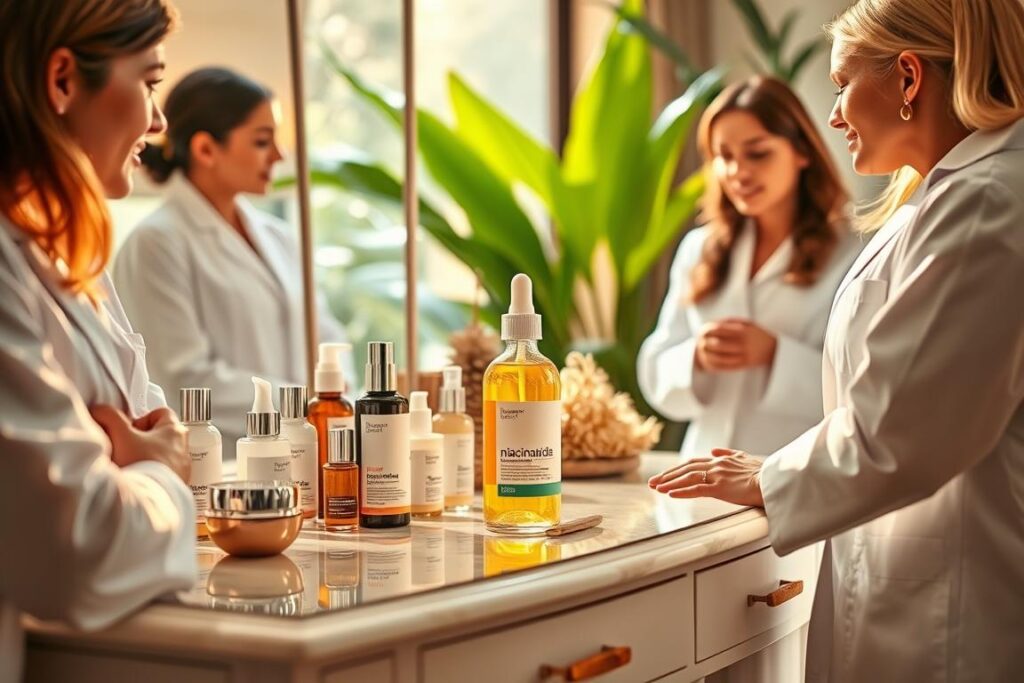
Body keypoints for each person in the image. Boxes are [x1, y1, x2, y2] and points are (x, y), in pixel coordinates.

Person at [649, 1, 1024, 680]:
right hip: (880, 546)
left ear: (909, 79)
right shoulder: (945, 201)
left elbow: (899, 429)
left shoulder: (986, 203)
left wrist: (768, 473)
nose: (835, 113)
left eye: (844, 83)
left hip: (956, 610)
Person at [0, 1, 195, 679]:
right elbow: (78, 546)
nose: (159, 118)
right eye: (149, 82)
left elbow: (155, 429)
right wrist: (164, 475)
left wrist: (140, 463)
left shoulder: (74, 263)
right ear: (62, 81)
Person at [112, 67, 349, 457]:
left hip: (305, 454)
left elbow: (327, 338)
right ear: (206, 149)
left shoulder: (280, 238)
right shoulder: (156, 244)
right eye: (262, 141)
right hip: (223, 464)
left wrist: (339, 402)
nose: (279, 155)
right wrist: (307, 408)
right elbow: (184, 376)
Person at [638, 76, 860, 459]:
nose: (738, 172)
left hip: (797, 474)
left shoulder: (854, 249)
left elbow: (862, 385)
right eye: (724, 157)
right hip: (701, 475)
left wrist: (775, 354)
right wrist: (696, 357)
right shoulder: (700, 250)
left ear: (802, 152)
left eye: (757, 153)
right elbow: (655, 367)